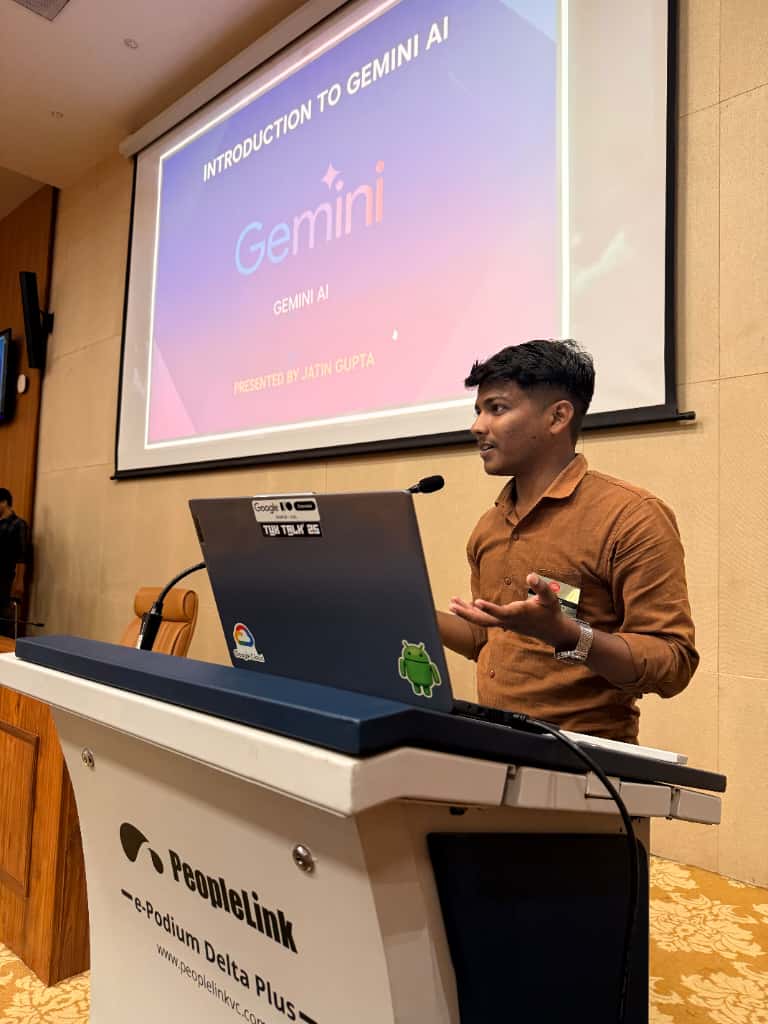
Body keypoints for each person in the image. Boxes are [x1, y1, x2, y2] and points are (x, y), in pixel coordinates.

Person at [438, 339, 698, 743]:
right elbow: (489, 640)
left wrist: (569, 635)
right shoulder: (488, 527)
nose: (477, 426)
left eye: (497, 408)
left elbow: (673, 662)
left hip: (588, 773)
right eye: (478, 411)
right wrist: (404, 610)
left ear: (558, 417)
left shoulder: (630, 516)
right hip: (494, 757)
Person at [0, 488, 29, 638]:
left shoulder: (19, 524)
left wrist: (19, 582)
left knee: (4, 621)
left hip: (6, 579)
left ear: (4, 502)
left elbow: (22, 556)